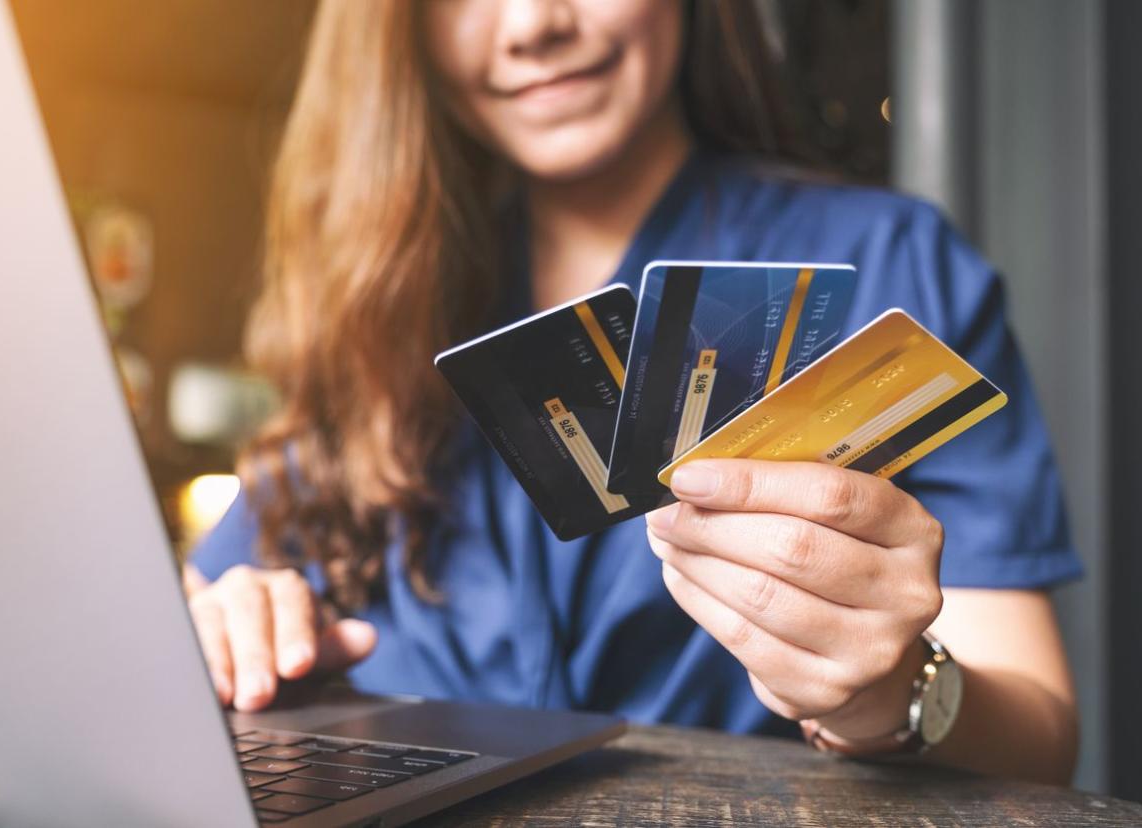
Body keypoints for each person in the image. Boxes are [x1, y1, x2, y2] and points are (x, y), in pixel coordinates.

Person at [185, 0, 1081, 784]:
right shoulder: (381, 305)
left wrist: (887, 694)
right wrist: (231, 632)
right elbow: (204, 602)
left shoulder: (890, 260)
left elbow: (1040, 739)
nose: (535, 22)